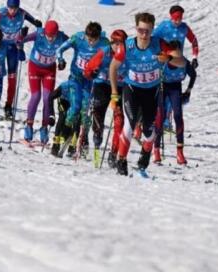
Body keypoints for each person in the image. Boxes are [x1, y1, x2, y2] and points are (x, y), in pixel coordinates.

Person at [109, 12, 173, 176]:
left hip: (151, 91)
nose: (144, 34)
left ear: (152, 30)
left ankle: (145, 154)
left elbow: (179, 58)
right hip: (132, 90)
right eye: (140, 30)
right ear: (136, 28)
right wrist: (114, 92)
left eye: (147, 31)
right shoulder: (127, 46)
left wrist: (168, 58)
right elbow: (113, 67)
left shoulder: (159, 44)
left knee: (149, 130)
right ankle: (121, 160)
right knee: (129, 124)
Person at [55, 21, 108, 158]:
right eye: (89, 39)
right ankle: (62, 136)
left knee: (86, 114)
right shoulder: (78, 38)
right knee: (75, 107)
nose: (90, 43)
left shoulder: (104, 44)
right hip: (76, 78)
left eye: (94, 40)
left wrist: (99, 71)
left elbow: (109, 63)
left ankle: (82, 142)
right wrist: (60, 60)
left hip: (90, 82)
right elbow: (59, 49)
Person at [0, 0, 42, 120]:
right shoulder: (2, 13)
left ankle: (8, 106)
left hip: (12, 47)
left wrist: (36, 22)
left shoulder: (21, 13)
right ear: (7, 6)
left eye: (15, 8)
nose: (13, 11)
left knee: (12, 77)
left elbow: (31, 18)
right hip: (0, 46)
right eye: (11, 8)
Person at [20, 19, 68, 145]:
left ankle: (44, 128)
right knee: (36, 96)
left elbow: (73, 43)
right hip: (35, 68)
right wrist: (21, 38)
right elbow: (21, 40)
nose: (51, 38)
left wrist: (62, 61)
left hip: (49, 71)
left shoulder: (61, 36)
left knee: (48, 98)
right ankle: (29, 125)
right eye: (48, 35)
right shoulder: (39, 34)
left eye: (53, 36)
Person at [84, 28, 127, 167]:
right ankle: (97, 145)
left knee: (119, 122)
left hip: (119, 87)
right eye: (116, 43)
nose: (119, 47)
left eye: (122, 44)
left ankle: (113, 153)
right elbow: (87, 69)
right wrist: (92, 73)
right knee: (98, 116)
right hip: (102, 85)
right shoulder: (104, 52)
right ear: (111, 42)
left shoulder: (128, 54)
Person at [152, 40, 196, 165]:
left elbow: (193, 75)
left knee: (178, 116)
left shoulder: (184, 62)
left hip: (175, 87)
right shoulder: (163, 60)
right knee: (160, 116)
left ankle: (180, 151)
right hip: (162, 87)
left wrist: (188, 91)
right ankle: (156, 150)